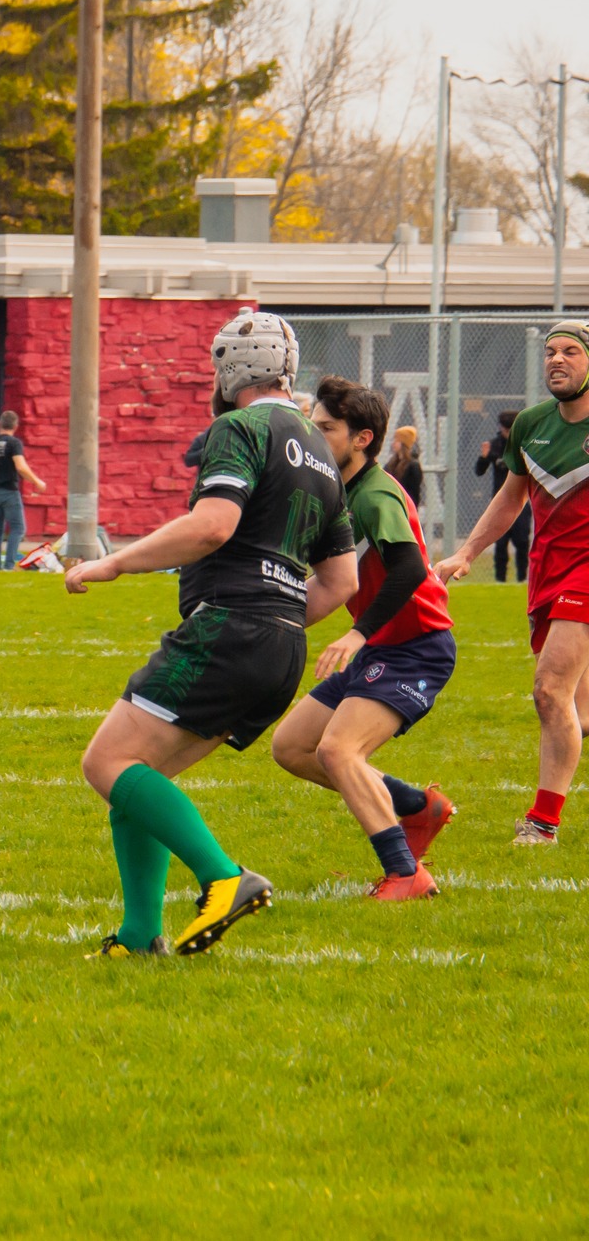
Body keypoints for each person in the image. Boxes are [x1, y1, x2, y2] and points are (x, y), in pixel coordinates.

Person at [64, 309, 356, 959]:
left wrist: (114, 560)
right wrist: (275, 614)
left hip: (232, 627)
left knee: (106, 762)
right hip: (281, 644)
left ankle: (225, 877)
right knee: (137, 783)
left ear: (231, 368)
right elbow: (341, 583)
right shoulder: (324, 457)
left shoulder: (240, 428)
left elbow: (213, 525)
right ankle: (140, 936)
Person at [269, 377, 458, 899]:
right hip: (383, 646)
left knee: (338, 750)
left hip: (417, 647)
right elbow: (333, 578)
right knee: (292, 746)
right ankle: (419, 806)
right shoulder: (336, 491)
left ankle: (405, 873)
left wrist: (355, 635)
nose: (314, 435)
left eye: (325, 428)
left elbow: (410, 569)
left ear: (362, 439)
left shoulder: (375, 493)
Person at [435, 321, 589, 844]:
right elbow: (511, 496)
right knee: (572, 706)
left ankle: (543, 821)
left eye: (571, 351)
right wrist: (466, 552)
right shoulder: (530, 424)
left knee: (549, 691)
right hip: (548, 572)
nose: (557, 359)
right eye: (550, 352)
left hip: (586, 575)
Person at [0, 410, 49, 571]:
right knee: (18, 529)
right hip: (9, 491)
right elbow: (20, 466)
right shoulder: (13, 443)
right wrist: (37, 481)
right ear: (16, 426)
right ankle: (9, 565)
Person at [474, 409, 531, 583]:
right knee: (500, 544)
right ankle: (500, 580)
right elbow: (479, 471)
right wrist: (484, 458)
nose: (507, 433)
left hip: (521, 500)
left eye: (510, 429)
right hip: (500, 500)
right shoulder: (495, 445)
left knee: (522, 541)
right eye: (505, 429)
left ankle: (522, 579)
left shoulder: (524, 444)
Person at [383, 425, 424, 512]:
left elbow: (414, 494)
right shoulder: (391, 464)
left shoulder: (413, 466)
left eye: (397, 440)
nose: (393, 443)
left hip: (404, 509)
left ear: (403, 444)